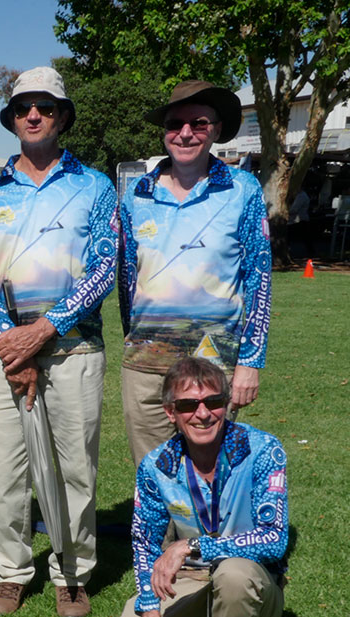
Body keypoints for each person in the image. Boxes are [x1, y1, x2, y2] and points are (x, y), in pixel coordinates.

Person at [0, 66, 117, 617]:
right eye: (24, 107)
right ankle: (10, 570)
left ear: (62, 117)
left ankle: (71, 571)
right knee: (6, 471)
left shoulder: (96, 187)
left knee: (75, 469)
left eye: (46, 107)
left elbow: (103, 268)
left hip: (74, 350)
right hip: (5, 353)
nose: (34, 115)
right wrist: (11, 343)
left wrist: (45, 329)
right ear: (11, 120)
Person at [95, 357, 287, 617]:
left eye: (213, 402)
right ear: (171, 413)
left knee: (234, 576)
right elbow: (144, 544)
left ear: (227, 403)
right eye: (187, 405)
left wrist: (191, 544)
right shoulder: (156, 466)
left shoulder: (263, 450)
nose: (203, 414)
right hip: (192, 579)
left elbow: (274, 539)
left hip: (254, 579)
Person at [119, 80, 271, 467]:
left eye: (199, 123)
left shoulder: (243, 190)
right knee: (154, 475)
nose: (185, 133)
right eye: (175, 124)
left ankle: (204, 532)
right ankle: (160, 532)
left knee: (209, 474)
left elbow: (259, 281)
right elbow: (126, 282)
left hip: (215, 362)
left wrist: (250, 363)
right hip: (146, 365)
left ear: (216, 130)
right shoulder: (138, 195)